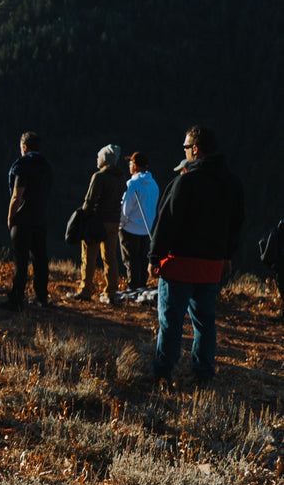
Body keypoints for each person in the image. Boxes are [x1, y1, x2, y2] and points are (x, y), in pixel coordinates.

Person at [147, 125, 244, 387]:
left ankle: (162, 373)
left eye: (186, 148)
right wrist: (227, 256)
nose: (185, 152)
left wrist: (155, 257)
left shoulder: (186, 181)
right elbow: (236, 224)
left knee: (171, 322)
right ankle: (203, 373)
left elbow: (166, 222)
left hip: (179, 264)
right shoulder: (232, 184)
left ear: (196, 149)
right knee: (205, 322)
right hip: (211, 265)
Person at [4, 132, 53, 311]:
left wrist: (11, 217)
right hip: (41, 217)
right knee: (40, 258)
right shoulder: (46, 165)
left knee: (21, 260)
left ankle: (17, 298)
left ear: (24, 147)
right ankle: (41, 296)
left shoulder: (23, 165)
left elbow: (17, 195)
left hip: (23, 218)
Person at [74, 144, 127, 305]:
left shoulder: (99, 177)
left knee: (89, 256)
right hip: (114, 221)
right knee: (110, 257)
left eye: (99, 157)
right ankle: (111, 292)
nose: (97, 159)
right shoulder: (120, 177)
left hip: (97, 221)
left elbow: (89, 201)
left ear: (105, 159)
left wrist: (82, 217)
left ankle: (85, 290)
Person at [119, 151, 159, 290]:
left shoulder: (132, 184)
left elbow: (126, 209)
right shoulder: (154, 184)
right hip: (146, 228)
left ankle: (133, 287)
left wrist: (121, 224)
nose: (129, 166)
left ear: (135, 166)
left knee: (130, 260)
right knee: (142, 259)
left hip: (130, 228)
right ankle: (142, 286)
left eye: (130, 163)